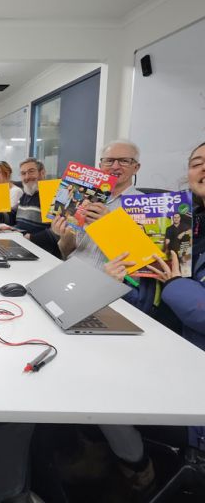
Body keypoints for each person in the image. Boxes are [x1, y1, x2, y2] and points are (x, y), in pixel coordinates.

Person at [105, 141, 205, 451]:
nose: (203, 168)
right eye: (197, 162)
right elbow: (146, 293)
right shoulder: (187, 222)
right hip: (160, 340)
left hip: (189, 374)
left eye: (123, 161)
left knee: (104, 396)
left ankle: (137, 467)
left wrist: (174, 283)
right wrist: (117, 282)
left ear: (136, 168)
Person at [53, 140, 143, 267]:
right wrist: (65, 235)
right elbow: (66, 251)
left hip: (111, 278)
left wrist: (109, 224)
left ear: (136, 168)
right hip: (71, 268)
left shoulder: (144, 206)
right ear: (100, 165)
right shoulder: (86, 198)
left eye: (124, 161)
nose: (115, 166)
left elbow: (141, 260)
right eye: (109, 161)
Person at [5, 157, 51, 235]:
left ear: (42, 173)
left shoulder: (50, 194)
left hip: (35, 245)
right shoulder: (26, 194)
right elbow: (11, 217)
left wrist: (33, 238)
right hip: (19, 239)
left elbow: (56, 233)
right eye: (23, 173)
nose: (27, 177)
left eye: (31, 171)